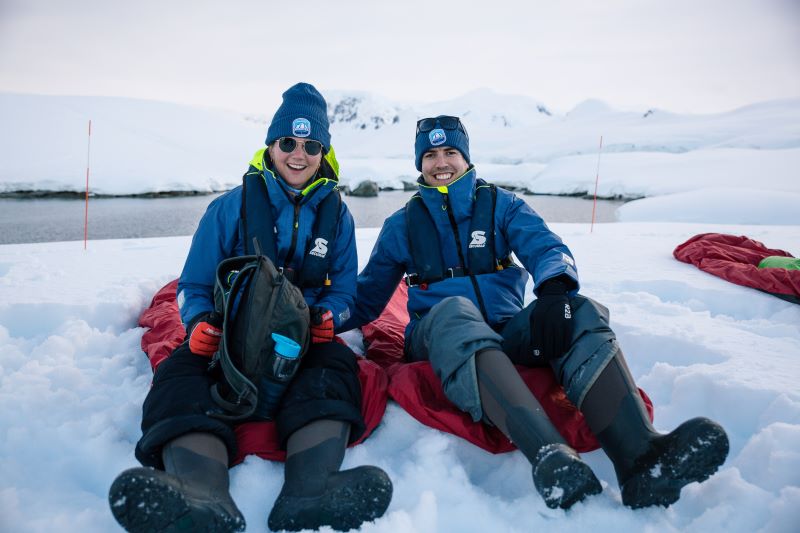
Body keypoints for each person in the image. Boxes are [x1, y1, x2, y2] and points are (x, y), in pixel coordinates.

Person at [344, 115, 729, 510]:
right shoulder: (402, 224)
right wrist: (322, 317)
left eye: (450, 152)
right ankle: (552, 458)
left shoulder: (501, 205)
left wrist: (556, 288)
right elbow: (366, 298)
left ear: (466, 157)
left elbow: (546, 247)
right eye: (430, 155)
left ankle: (642, 459)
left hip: (504, 331)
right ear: (419, 163)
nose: (441, 162)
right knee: (455, 310)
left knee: (579, 311)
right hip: (437, 336)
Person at [108, 83, 392, 532]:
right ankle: (200, 493)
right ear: (271, 145)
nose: (298, 154)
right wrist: (199, 323)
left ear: (323, 152)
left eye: (311, 145)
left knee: (335, 372)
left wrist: (329, 318)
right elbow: (194, 283)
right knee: (180, 376)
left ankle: (311, 490)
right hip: (230, 333)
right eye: (288, 142)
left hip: (300, 336)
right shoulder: (228, 208)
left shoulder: (338, 217)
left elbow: (343, 293)